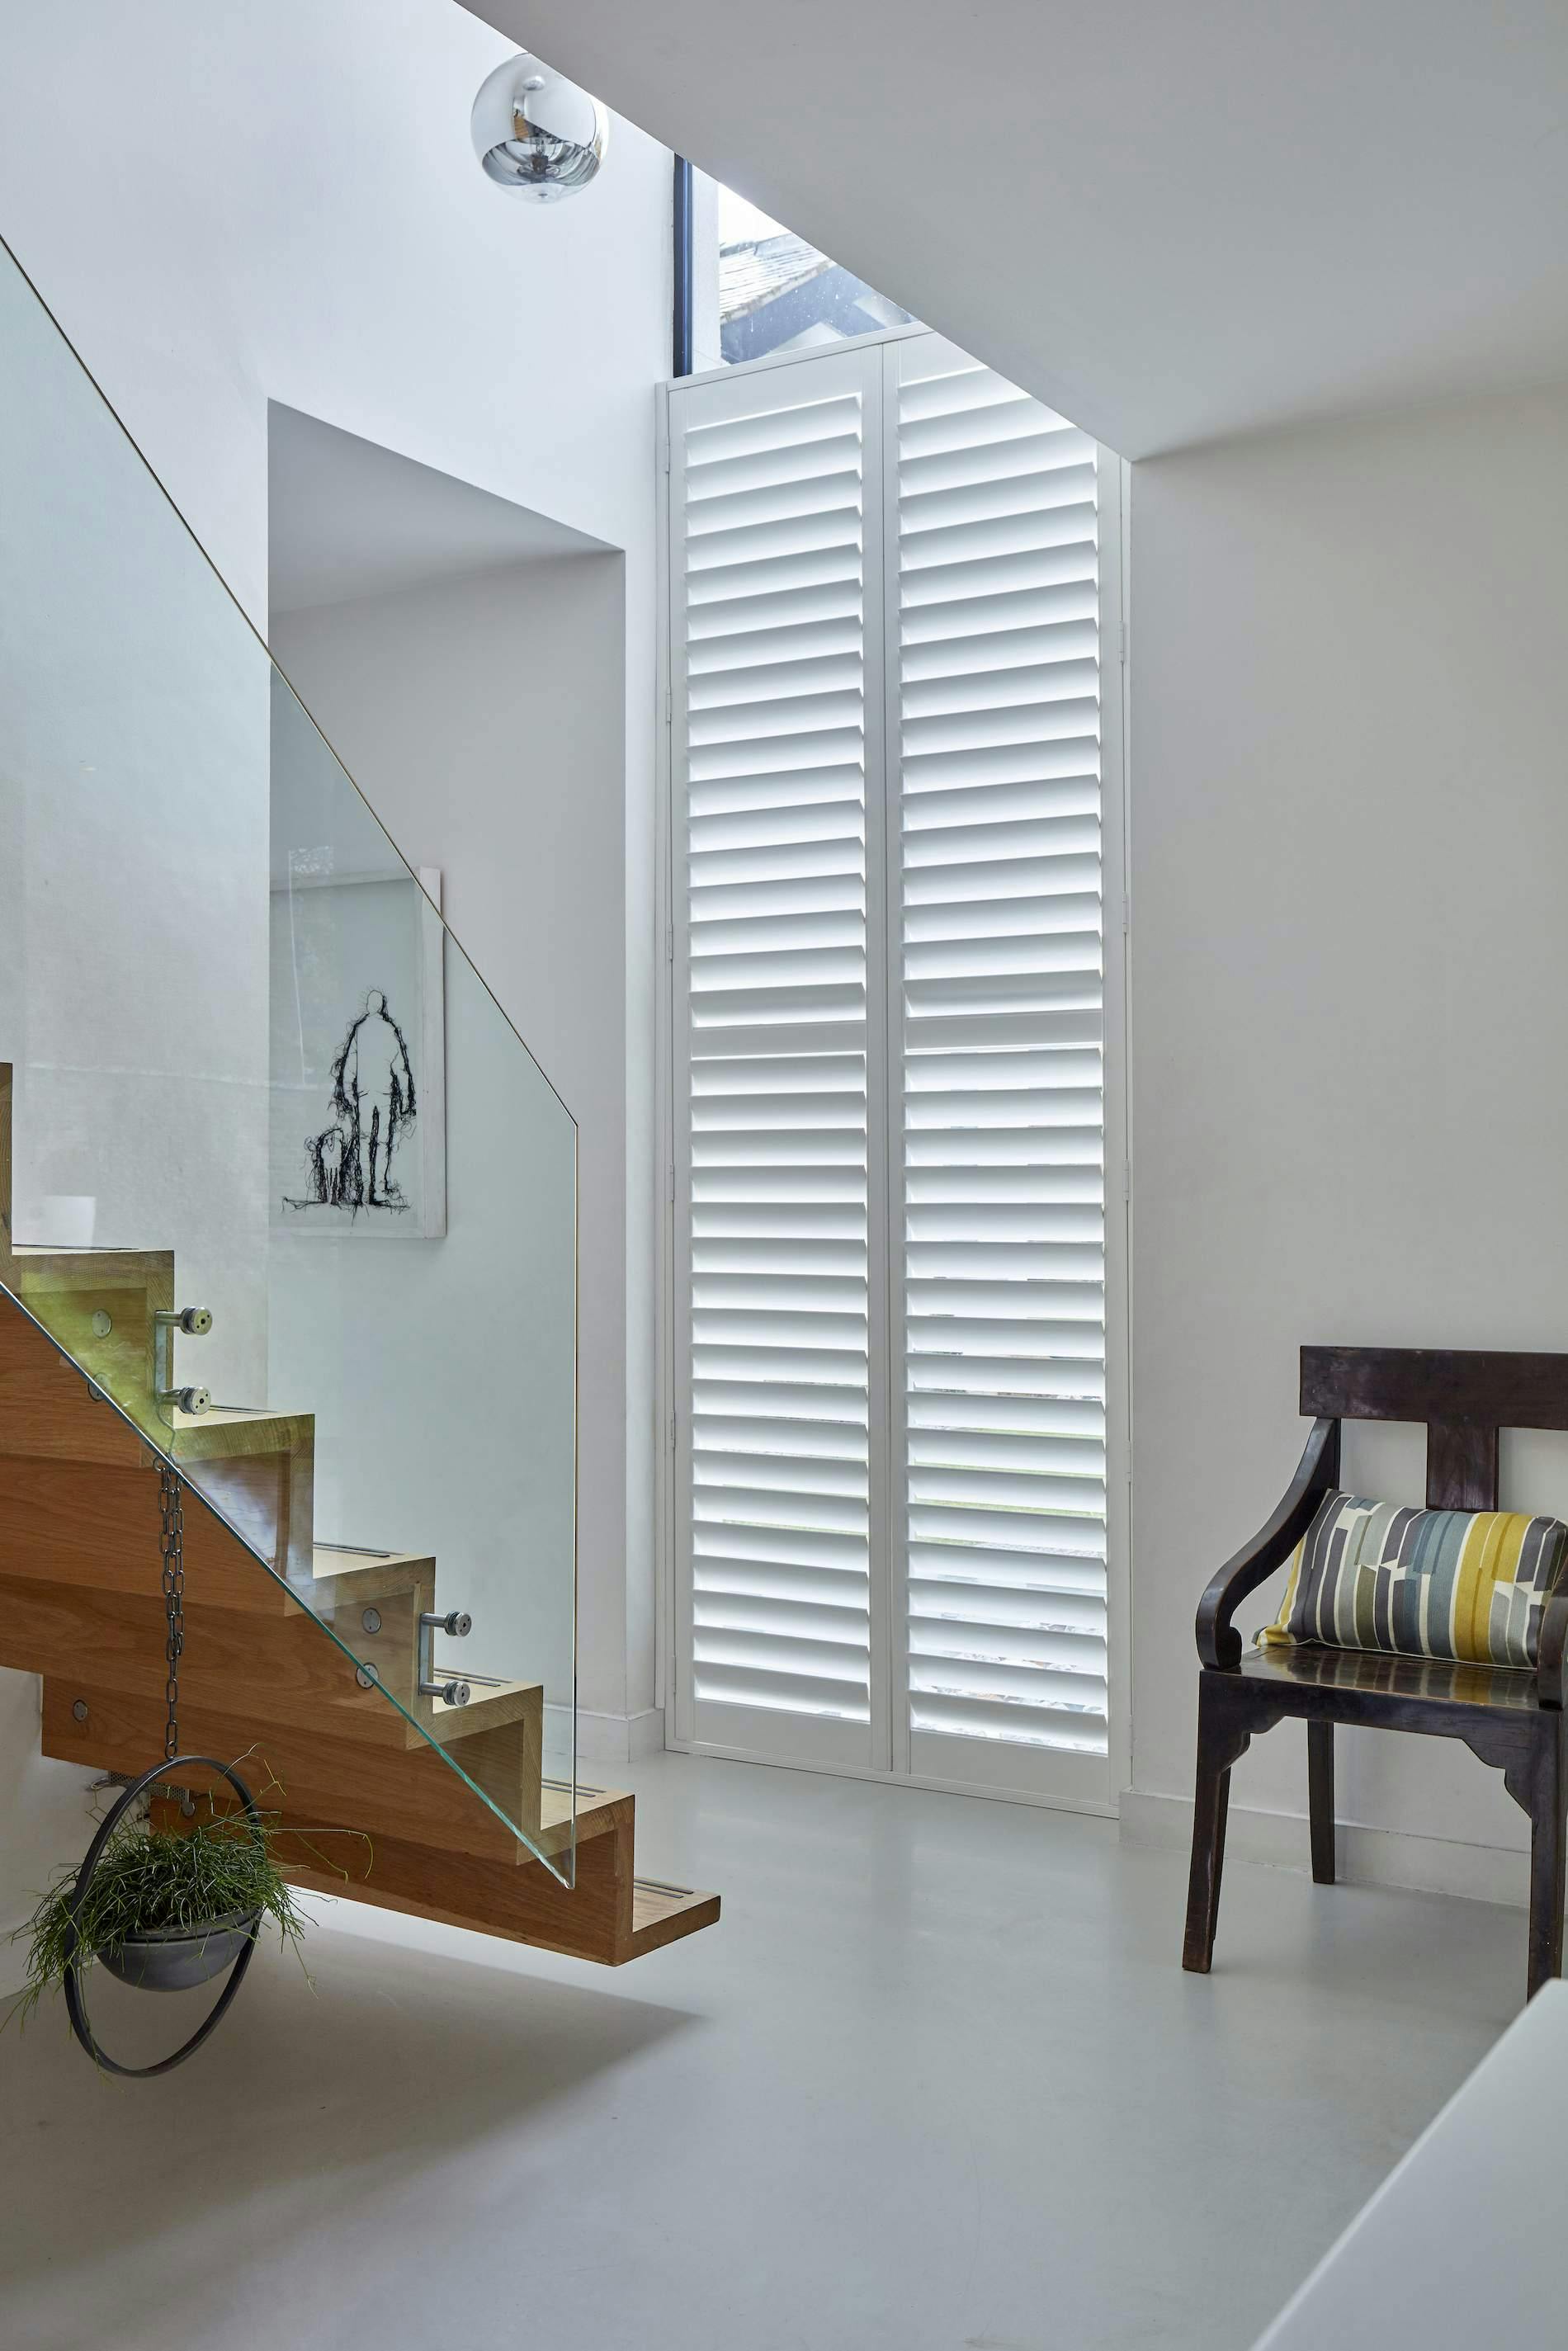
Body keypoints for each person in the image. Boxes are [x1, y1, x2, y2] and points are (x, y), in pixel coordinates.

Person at [333, 989, 416, 1208]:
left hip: (364, 1094)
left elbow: (350, 1063)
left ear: (370, 1006)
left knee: (364, 1140)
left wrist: (349, 1091)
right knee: (382, 1142)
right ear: (381, 1006)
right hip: (385, 1093)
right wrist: (406, 1098)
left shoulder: (360, 1030)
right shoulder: (390, 1030)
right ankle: (378, 1190)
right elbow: (401, 1068)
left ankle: (363, 1190)